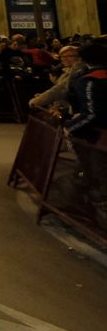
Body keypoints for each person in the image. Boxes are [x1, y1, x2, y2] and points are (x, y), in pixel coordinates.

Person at [64, 38, 107, 227]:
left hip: (98, 136)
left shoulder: (89, 80)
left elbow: (91, 113)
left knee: (99, 175)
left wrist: (69, 127)